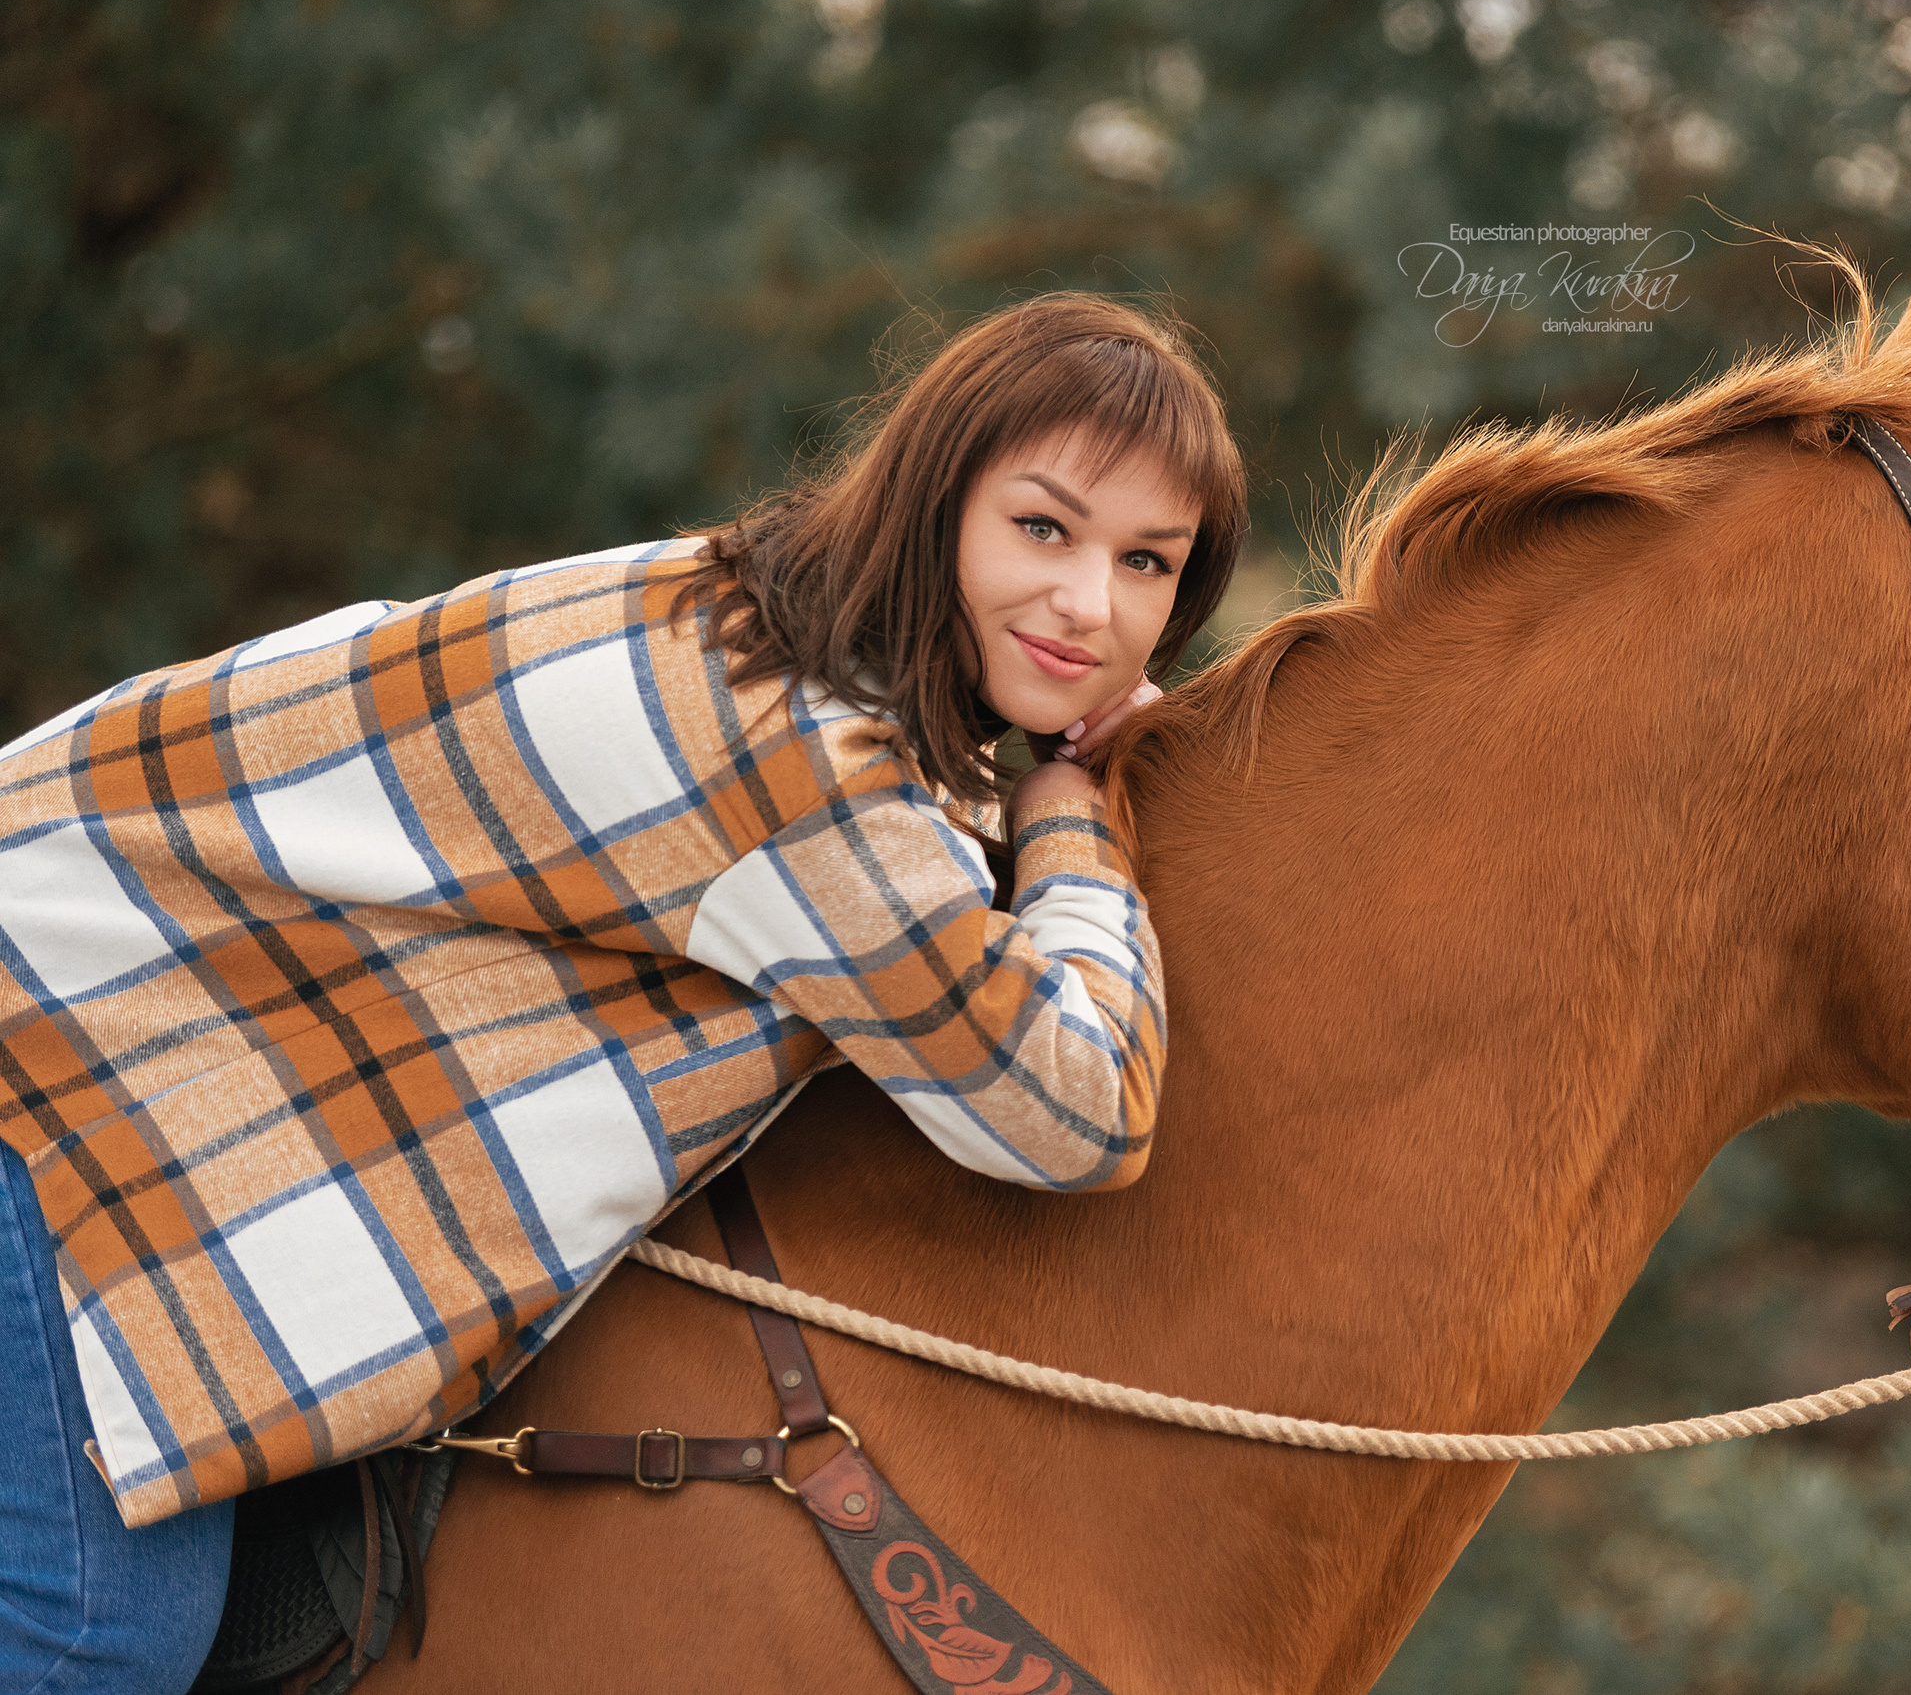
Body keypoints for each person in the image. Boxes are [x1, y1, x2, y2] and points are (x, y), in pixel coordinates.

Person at [0, 290, 1246, 1692]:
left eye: (1150, 562)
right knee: (94, 1637)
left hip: (96, 995)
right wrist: (1076, 802)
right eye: (1044, 527)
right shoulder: (804, 762)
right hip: (52, 1037)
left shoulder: (767, 624)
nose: (1094, 605)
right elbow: (1072, 1109)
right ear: (936, 499)